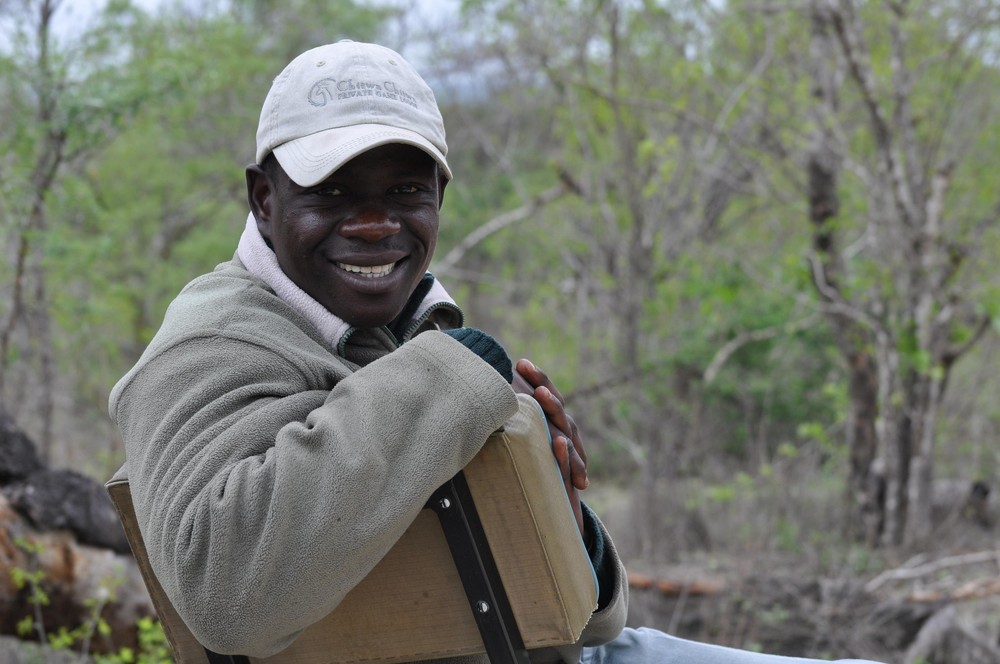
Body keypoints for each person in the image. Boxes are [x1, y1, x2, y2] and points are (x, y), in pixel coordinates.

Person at [108, 40, 880, 664]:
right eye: (334, 195)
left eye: (407, 193)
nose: (376, 224)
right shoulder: (214, 343)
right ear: (264, 199)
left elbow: (587, 627)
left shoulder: (390, 324)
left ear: (441, 196)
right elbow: (226, 596)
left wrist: (562, 515)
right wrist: (458, 366)